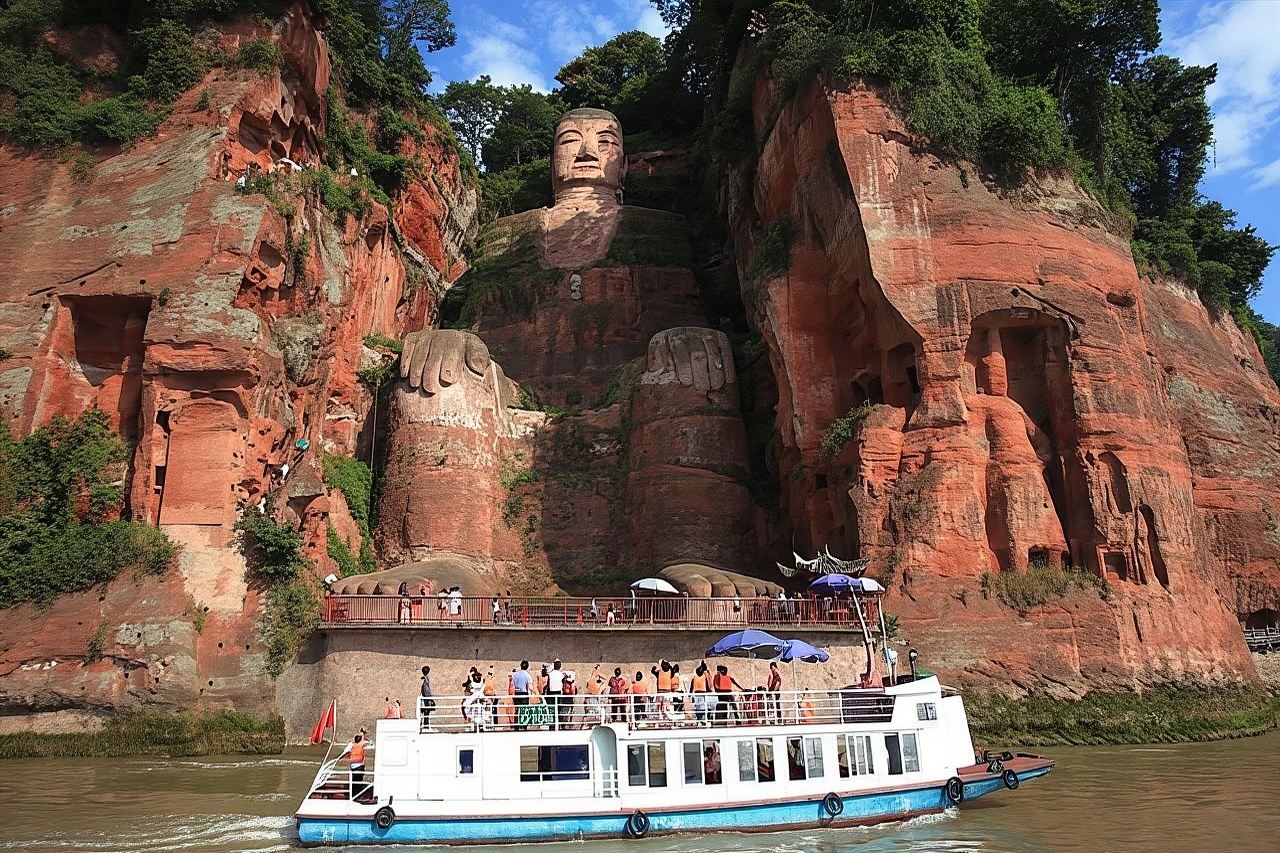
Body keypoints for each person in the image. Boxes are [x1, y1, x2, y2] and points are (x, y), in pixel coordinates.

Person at [345, 730, 370, 799]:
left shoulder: (352, 745)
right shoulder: (361, 745)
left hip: (353, 766)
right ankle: (356, 795)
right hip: (359, 766)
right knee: (358, 781)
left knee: (354, 780)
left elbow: (346, 752)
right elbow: (364, 741)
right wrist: (363, 733)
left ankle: (353, 794)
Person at [546, 659, 566, 730]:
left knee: (552, 709)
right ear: (560, 666)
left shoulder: (550, 674)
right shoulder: (562, 674)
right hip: (558, 692)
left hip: (551, 692)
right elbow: (564, 683)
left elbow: (548, 684)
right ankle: (561, 725)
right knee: (559, 709)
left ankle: (552, 725)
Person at [512, 660, 532, 730]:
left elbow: (513, 684)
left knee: (517, 710)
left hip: (517, 693)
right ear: (527, 667)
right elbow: (529, 686)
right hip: (524, 693)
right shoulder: (527, 675)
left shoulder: (515, 674)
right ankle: (524, 725)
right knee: (524, 710)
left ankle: (516, 725)